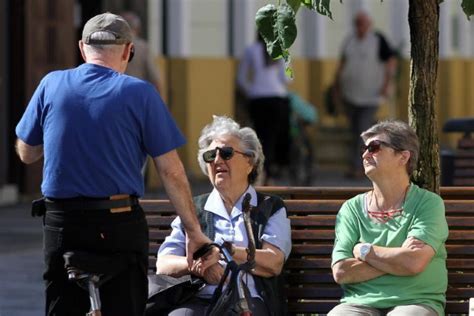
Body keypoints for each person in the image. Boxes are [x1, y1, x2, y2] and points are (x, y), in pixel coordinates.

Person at [15, 12, 210, 316]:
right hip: (116, 222)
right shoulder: (140, 92)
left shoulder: (51, 84)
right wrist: (193, 231)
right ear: (128, 51)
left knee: (61, 307)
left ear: (82, 48)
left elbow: (26, 153)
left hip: (62, 223)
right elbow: (170, 171)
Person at [154, 116, 292, 315]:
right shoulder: (194, 208)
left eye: (226, 153)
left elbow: (274, 262)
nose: (217, 160)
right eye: (211, 155)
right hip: (199, 299)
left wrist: (225, 252)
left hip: (248, 301)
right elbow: (164, 263)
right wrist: (199, 266)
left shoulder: (270, 207)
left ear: (249, 162)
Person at [329, 120, 448, 316]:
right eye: (364, 149)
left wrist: (365, 251)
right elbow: (341, 271)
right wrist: (398, 260)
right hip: (359, 303)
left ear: (403, 157)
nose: (365, 154)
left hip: (416, 301)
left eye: (374, 147)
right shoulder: (351, 209)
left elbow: (413, 262)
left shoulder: (428, 204)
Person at [333, 11, 396, 179]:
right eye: (357, 23)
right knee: (355, 131)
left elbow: (390, 61)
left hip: (371, 95)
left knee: (362, 131)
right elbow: (342, 64)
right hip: (350, 95)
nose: (359, 27)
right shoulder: (350, 41)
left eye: (362, 23)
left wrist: (386, 83)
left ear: (369, 24)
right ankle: (362, 164)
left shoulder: (378, 40)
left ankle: (359, 167)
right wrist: (337, 86)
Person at [237, 33, 291, 184]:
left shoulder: (250, 50)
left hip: (257, 100)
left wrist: (252, 91)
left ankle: (261, 170)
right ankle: (272, 170)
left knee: (260, 135)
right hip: (277, 98)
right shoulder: (280, 49)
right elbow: (286, 78)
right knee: (275, 136)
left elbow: (241, 78)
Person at [121, 11, 162, 93]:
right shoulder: (143, 47)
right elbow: (155, 78)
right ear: (137, 29)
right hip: (138, 94)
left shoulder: (112, 46)